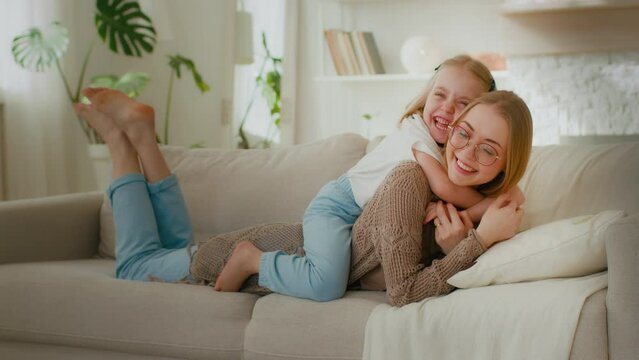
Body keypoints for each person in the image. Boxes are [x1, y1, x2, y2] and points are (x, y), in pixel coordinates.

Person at [211, 56, 527, 302]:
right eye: (439, 95)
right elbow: (445, 188)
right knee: (326, 283)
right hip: (337, 206)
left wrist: (508, 193)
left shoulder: (451, 149)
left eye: (462, 105)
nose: (447, 109)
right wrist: (485, 210)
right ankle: (252, 260)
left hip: (360, 219)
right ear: (426, 96)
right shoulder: (416, 136)